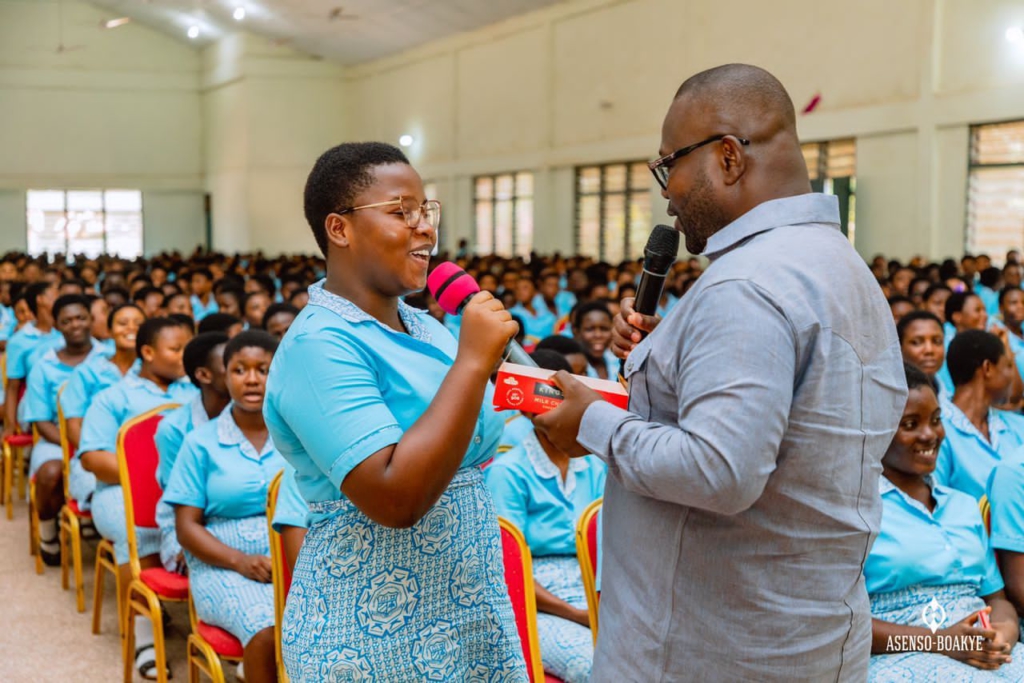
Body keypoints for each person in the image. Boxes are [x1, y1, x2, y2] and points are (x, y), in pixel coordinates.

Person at [533, 64, 907, 680]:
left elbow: (721, 471)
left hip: (705, 651)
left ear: (728, 157)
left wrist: (592, 421)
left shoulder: (746, 286)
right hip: (803, 639)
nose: (666, 190)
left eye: (668, 164)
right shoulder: (842, 270)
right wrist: (676, 362)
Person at [264, 141, 527, 680]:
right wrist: (474, 361)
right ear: (340, 229)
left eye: (425, 211)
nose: (424, 228)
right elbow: (394, 496)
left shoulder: (424, 326)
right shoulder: (319, 345)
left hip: (466, 607)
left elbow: (496, 421)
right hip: (366, 629)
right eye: (400, 211)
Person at [866, 363, 1023, 680]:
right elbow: (845, 622)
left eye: (936, 421)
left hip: (981, 645)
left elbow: (995, 598)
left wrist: (1005, 633)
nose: (929, 434)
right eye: (910, 424)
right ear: (877, 430)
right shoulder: (861, 510)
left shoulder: (962, 506)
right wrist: (940, 641)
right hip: (901, 651)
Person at [78, 316, 198, 679]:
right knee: (137, 530)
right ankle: (145, 636)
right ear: (147, 352)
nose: (185, 358)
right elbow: (93, 458)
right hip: (121, 490)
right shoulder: (112, 397)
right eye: (176, 350)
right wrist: (152, 479)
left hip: (183, 490)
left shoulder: (195, 392)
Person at [165, 331, 284, 683]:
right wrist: (241, 562)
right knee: (268, 629)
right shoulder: (200, 443)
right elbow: (186, 528)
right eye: (239, 369)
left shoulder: (296, 436)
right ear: (224, 375)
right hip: (223, 568)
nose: (251, 379)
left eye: (263, 369)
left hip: (290, 561)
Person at [485, 351, 605, 682]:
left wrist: (602, 604)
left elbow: (612, 545)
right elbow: (507, 568)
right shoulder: (510, 472)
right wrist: (579, 614)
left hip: (595, 588)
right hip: (536, 600)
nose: (549, 402)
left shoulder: (595, 465)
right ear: (523, 404)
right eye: (539, 393)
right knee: (592, 664)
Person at [21, 295, 103, 564]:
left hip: (105, 438)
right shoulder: (44, 366)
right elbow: (41, 421)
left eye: (81, 318)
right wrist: (76, 445)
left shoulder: (109, 358)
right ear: (56, 325)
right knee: (51, 472)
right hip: (57, 438)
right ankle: (48, 535)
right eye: (67, 321)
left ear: (91, 319)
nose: (75, 325)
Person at [154, 332, 230, 572]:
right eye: (234, 367)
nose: (248, 375)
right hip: (187, 524)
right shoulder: (174, 429)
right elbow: (184, 500)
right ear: (203, 375)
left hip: (242, 519)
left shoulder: (257, 419)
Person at [934, 330, 1024, 499]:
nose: (1012, 376)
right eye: (1008, 366)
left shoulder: (1017, 425)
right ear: (987, 368)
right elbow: (937, 501)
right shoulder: (938, 432)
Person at [3, 282, 61, 441]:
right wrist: (9, 426)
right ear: (40, 300)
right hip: (35, 403)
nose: (60, 298)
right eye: (55, 294)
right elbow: (13, 387)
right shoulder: (19, 340)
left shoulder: (64, 333)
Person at [897, 311, 948, 399]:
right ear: (899, 348)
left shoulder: (950, 401)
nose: (929, 350)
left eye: (937, 341)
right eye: (917, 342)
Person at [570, 301, 618, 380]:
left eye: (604, 329)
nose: (598, 335)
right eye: (590, 329)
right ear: (576, 332)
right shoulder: (571, 367)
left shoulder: (617, 362)